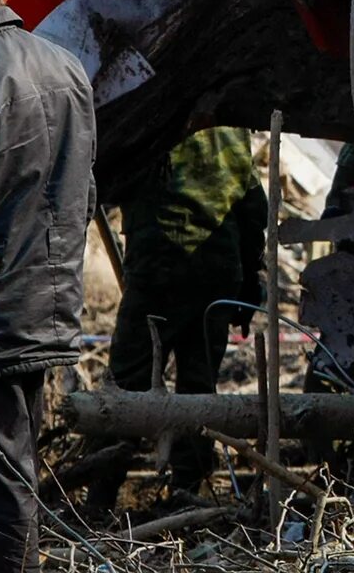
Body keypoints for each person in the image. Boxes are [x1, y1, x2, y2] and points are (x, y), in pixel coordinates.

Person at [0, 0, 96, 571]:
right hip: (46, 307)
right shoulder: (67, 66)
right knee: (15, 469)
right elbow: (82, 188)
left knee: (1, 484)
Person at [90, 119, 267, 508]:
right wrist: (249, 282)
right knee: (199, 389)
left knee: (126, 384)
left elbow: (112, 179)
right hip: (217, 271)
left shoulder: (158, 117)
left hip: (160, 267)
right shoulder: (230, 128)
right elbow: (254, 205)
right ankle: (190, 490)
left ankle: (99, 497)